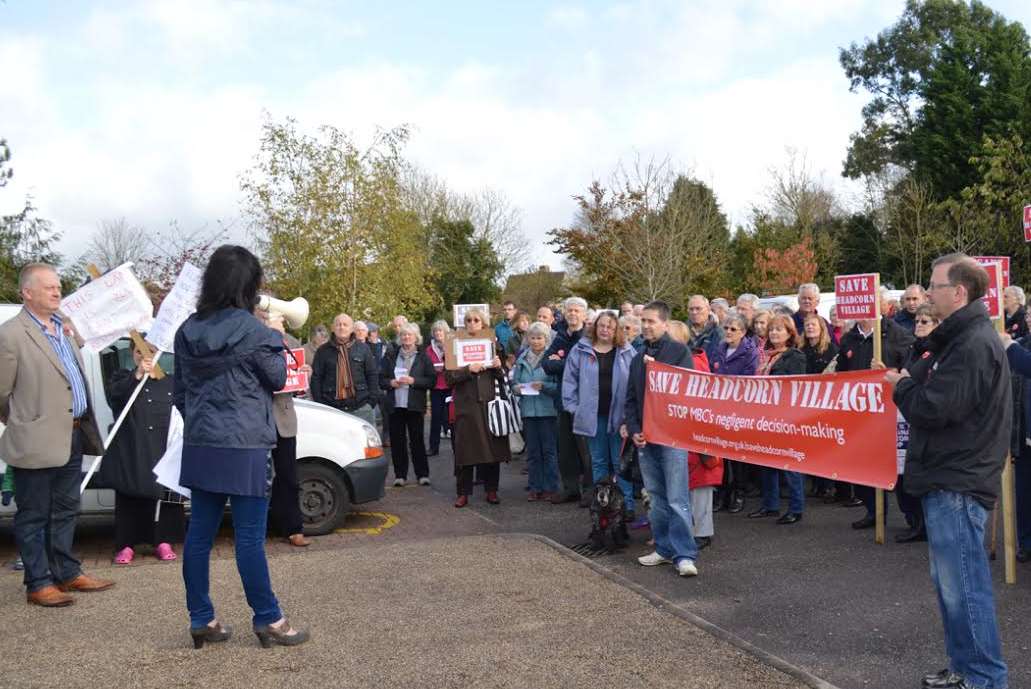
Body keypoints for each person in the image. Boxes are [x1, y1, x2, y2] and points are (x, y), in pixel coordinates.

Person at [174, 245, 307, 649]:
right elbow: (277, 378)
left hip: (201, 442)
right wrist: (275, 335)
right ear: (249, 286)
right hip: (245, 443)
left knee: (199, 535)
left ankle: (202, 619)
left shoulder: (187, 330)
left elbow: (179, 393)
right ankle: (269, 619)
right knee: (249, 537)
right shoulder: (255, 331)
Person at [888, 254, 1009, 689]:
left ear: (958, 292)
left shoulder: (974, 343)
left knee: (965, 588)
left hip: (958, 478)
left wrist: (900, 386)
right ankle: (964, 666)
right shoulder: (956, 339)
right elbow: (921, 375)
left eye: (935, 285)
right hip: (949, 474)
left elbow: (932, 407)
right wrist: (918, 364)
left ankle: (984, 677)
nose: (928, 291)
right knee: (951, 585)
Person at [0, 263, 114, 607]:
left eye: (57, 286)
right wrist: (24, 420)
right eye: (48, 287)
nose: (56, 291)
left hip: (74, 433)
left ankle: (66, 571)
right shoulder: (12, 334)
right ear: (27, 292)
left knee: (66, 508)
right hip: (35, 439)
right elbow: (1, 391)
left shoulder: (63, 329)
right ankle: (38, 582)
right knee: (34, 513)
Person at [622, 300, 699, 577]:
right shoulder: (636, 355)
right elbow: (630, 399)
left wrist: (659, 370)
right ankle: (665, 548)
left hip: (672, 437)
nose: (645, 326)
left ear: (665, 324)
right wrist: (634, 429)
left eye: (651, 321)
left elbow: (687, 391)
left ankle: (685, 553)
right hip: (646, 437)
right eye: (643, 321)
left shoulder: (678, 352)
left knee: (677, 497)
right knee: (656, 497)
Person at [101, 340, 187, 564]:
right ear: (132, 354)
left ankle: (163, 541)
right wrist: (137, 374)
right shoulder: (122, 378)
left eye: (150, 351)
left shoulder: (171, 382)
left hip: (164, 447)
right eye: (139, 351)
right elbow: (115, 397)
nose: (144, 355)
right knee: (130, 496)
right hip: (133, 448)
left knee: (164, 497)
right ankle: (126, 544)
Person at [836, 289, 914, 526]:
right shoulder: (849, 338)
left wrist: (887, 370)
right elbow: (840, 372)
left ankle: (913, 518)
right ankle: (873, 512)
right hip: (859, 411)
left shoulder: (898, 335)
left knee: (898, 467)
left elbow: (910, 370)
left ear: (883, 305)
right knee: (863, 464)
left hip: (892, 411)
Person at [563, 312, 637, 517]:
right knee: (598, 461)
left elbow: (634, 384)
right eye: (602, 325)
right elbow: (570, 381)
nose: (605, 330)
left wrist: (631, 416)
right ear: (595, 327)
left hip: (619, 417)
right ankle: (602, 504)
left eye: (610, 327)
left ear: (617, 331)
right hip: (592, 416)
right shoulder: (580, 350)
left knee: (620, 462)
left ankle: (626, 505)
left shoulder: (627, 351)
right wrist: (573, 407)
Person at [747, 314, 807, 525]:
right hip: (766, 418)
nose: (774, 333)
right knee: (767, 462)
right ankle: (770, 505)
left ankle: (796, 508)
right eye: (772, 329)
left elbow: (796, 389)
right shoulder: (767, 356)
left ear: (790, 334)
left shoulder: (795, 356)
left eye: (779, 330)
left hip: (786, 418)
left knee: (790, 464)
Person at [447, 308, 510, 506]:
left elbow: (504, 376)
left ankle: (492, 490)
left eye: (476, 320)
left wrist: (498, 366)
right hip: (466, 406)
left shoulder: (494, 344)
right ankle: (463, 492)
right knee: (465, 451)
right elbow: (449, 378)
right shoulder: (453, 345)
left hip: (490, 404)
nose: (472, 323)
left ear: (483, 323)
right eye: (468, 320)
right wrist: (468, 370)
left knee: (493, 449)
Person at [894, 304, 939, 544]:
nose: (919, 325)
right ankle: (914, 521)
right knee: (904, 472)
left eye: (925, 321)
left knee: (921, 472)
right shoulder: (913, 348)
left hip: (923, 415)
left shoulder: (937, 350)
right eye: (918, 321)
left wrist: (905, 380)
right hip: (906, 415)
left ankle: (924, 524)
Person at [543, 297, 591, 505]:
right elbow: (545, 363)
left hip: (583, 400)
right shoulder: (561, 336)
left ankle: (590, 491)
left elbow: (582, 366)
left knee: (586, 449)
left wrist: (561, 362)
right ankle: (571, 488)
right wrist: (565, 363)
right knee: (565, 448)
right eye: (569, 311)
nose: (572, 314)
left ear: (584, 315)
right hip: (563, 399)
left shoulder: (589, 337)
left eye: (576, 311)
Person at [710, 313, 759, 514]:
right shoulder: (718, 349)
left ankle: (739, 492)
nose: (728, 332)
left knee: (738, 456)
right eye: (726, 328)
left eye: (733, 329)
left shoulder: (750, 352)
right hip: (719, 409)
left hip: (739, 410)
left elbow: (749, 379)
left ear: (743, 332)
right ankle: (723, 492)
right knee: (721, 455)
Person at [511, 322, 560, 501]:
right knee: (532, 452)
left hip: (548, 411)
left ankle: (551, 487)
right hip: (528, 411)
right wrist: (516, 388)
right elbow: (514, 382)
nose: (536, 341)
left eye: (540, 337)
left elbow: (558, 387)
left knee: (549, 451)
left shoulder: (552, 359)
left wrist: (544, 386)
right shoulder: (522, 358)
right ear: (528, 339)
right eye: (533, 337)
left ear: (546, 339)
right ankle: (534, 487)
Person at [381, 323, 435, 487]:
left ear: (416, 337)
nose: (406, 337)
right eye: (404, 335)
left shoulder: (423, 356)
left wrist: (414, 381)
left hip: (414, 404)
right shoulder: (391, 355)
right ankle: (400, 475)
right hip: (395, 404)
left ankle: (422, 474)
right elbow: (380, 378)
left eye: (410, 335)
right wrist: (390, 382)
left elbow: (431, 380)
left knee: (417, 441)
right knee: (397, 442)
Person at [310, 313, 380, 426]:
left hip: (361, 408)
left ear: (352, 328)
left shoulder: (363, 348)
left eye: (345, 325)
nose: (341, 327)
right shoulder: (323, 351)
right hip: (332, 409)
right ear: (333, 328)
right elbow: (316, 378)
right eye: (338, 325)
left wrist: (371, 402)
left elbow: (372, 374)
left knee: (366, 443)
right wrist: (320, 403)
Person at [1001, 306, 1031, 564]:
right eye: (1030, 315)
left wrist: (1009, 346)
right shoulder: (1022, 343)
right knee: (1023, 494)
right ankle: (1025, 542)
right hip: (1023, 432)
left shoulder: (1017, 348)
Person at [425, 320, 452, 456]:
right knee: (435, 418)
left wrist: (446, 366)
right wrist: (434, 369)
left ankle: (457, 447)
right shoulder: (429, 349)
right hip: (436, 386)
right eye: (436, 331)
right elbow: (426, 366)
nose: (438, 333)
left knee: (453, 418)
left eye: (440, 330)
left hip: (450, 386)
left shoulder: (452, 346)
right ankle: (433, 447)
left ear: (446, 332)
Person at [686, 295, 724, 365]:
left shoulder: (719, 333)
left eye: (698, 308)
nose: (694, 312)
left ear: (708, 309)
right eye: (691, 309)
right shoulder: (682, 331)